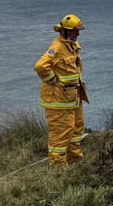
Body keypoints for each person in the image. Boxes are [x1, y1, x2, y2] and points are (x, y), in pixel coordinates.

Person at [34, 14, 89, 166]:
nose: (77, 34)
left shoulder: (71, 45)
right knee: (61, 134)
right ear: (64, 31)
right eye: (75, 31)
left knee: (76, 129)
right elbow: (40, 67)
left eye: (78, 31)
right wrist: (52, 79)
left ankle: (75, 160)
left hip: (72, 97)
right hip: (58, 101)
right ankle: (58, 170)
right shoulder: (56, 48)